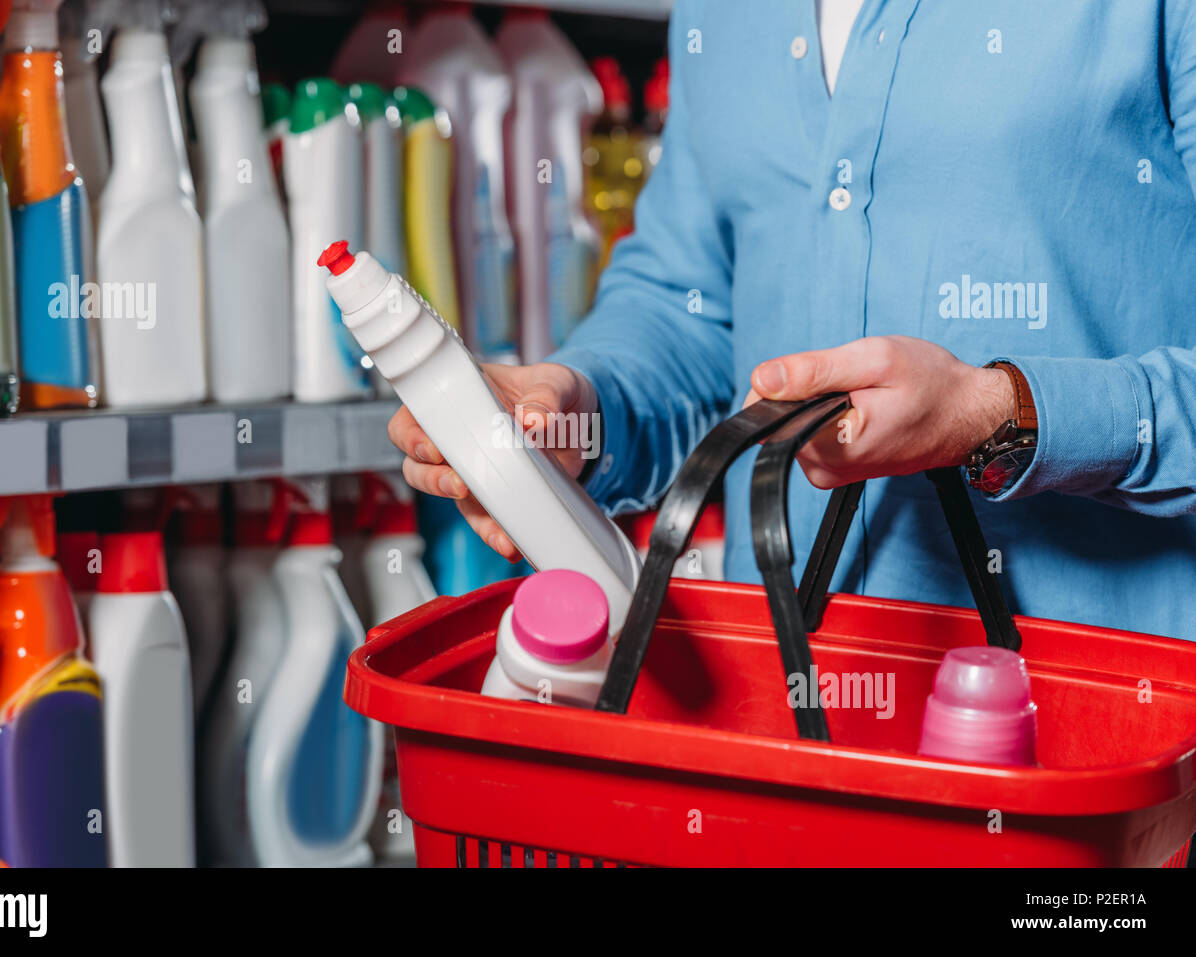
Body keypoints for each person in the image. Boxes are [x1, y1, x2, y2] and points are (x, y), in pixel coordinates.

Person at [389, 0, 1196, 642]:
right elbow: (687, 298)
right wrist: (574, 406)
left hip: (1107, 742)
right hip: (791, 712)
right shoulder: (722, 15)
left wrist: (1000, 416)